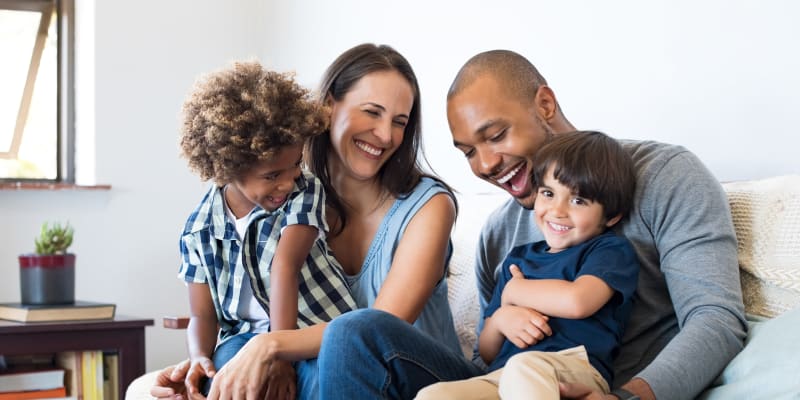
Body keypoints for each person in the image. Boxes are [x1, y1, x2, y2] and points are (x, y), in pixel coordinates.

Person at [317, 49, 748, 400]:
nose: (485, 165)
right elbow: (490, 355)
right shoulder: (499, 233)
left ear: (544, 105)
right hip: (507, 384)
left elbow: (715, 318)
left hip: (605, 383)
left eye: (496, 135)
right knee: (356, 333)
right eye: (468, 151)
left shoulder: (664, 175)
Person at [151, 43, 465, 400]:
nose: (386, 135)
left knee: (351, 333)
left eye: (399, 122)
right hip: (334, 373)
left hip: (420, 375)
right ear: (329, 106)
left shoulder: (429, 205)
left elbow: (379, 329)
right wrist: (205, 367)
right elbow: (239, 307)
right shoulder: (283, 196)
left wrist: (270, 345)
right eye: (372, 112)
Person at [175, 61, 356, 398]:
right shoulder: (198, 230)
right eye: (272, 175)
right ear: (228, 167)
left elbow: (284, 267)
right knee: (223, 382)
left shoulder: (305, 191)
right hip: (243, 337)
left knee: (321, 381)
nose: (287, 182)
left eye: (295, 165)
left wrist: (280, 355)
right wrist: (199, 356)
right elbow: (202, 313)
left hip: (312, 329)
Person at [416, 130, 639, 400]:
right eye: (548, 193)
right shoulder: (518, 259)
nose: (557, 210)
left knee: (525, 367)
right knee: (435, 395)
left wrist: (514, 293)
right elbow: (487, 352)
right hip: (504, 374)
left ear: (612, 216)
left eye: (578, 200)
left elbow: (578, 301)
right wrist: (500, 320)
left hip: (572, 368)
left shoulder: (607, 250)